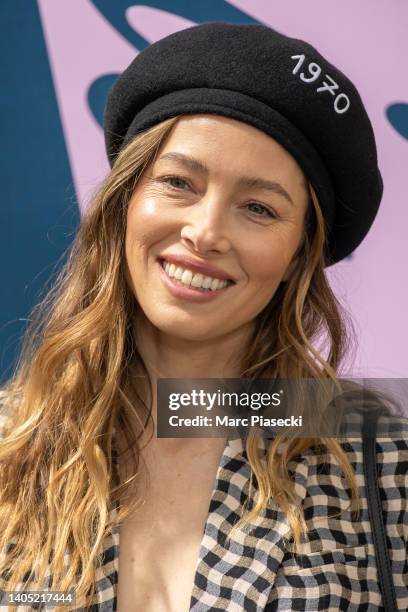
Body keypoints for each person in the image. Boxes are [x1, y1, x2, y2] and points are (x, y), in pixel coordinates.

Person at [0, 22, 407, 612]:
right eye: (177, 183)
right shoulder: (12, 440)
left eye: (259, 208)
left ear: (299, 253)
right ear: (125, 201)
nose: (206, 232)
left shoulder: (378, 458)